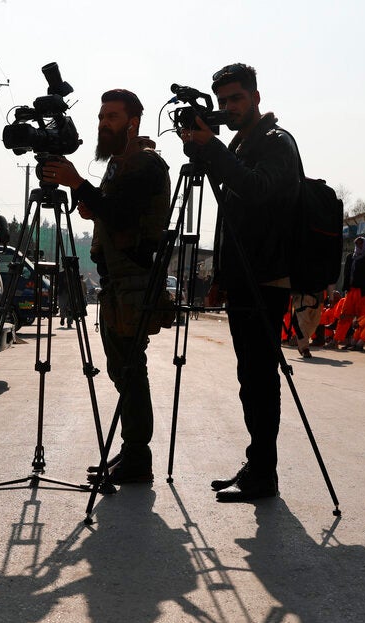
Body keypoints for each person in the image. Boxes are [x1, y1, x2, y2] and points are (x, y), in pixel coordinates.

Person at [181, 62, 300, 502]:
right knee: (250, 376)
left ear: (255, 98)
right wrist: (220, 277)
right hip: (245, 276)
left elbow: (255, 190)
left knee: (259, 377)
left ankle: (263, 475)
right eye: (223, 101)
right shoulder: (239, 143)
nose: (229, 107)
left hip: (267, 276)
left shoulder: (275, 143)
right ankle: (256, 465)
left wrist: (212, 151)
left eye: (236, 98)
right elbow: (229, 214)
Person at [42, 89, 171, 484]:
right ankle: (132, 451)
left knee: (131, 368)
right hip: (117, 283)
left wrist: (77, 183)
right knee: (122, 369)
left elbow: (123, 216)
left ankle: (137, 456)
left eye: (112, 117)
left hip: (133, 281)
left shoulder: (145, 164)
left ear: (132, 121)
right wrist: (91, 202)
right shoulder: (119, 164)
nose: (103, 124)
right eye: (101, 117)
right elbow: (110, 213)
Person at [333, 237, 365, 349]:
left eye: (361, 244)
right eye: (357, 244)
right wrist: (345, 287)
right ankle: (336, 340)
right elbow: (346, 274)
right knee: (344, 316)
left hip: (364, 293)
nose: (358, 246)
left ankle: (356, 342)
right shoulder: (350, 257)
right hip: (351, 291)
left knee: (362, 319)